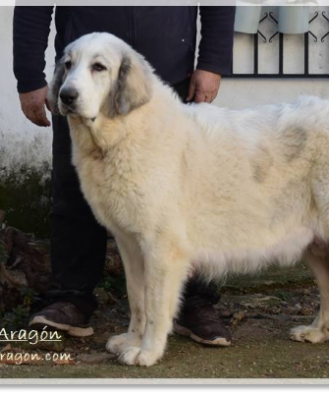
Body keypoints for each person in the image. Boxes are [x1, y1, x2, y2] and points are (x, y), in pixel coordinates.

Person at [13, 5, 236, 346]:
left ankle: (194, 301)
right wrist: (29, 76)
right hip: (84, 80)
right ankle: (70, 296)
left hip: (168, 78)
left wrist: (213, 61)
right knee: (75, 193)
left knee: (188, 197)